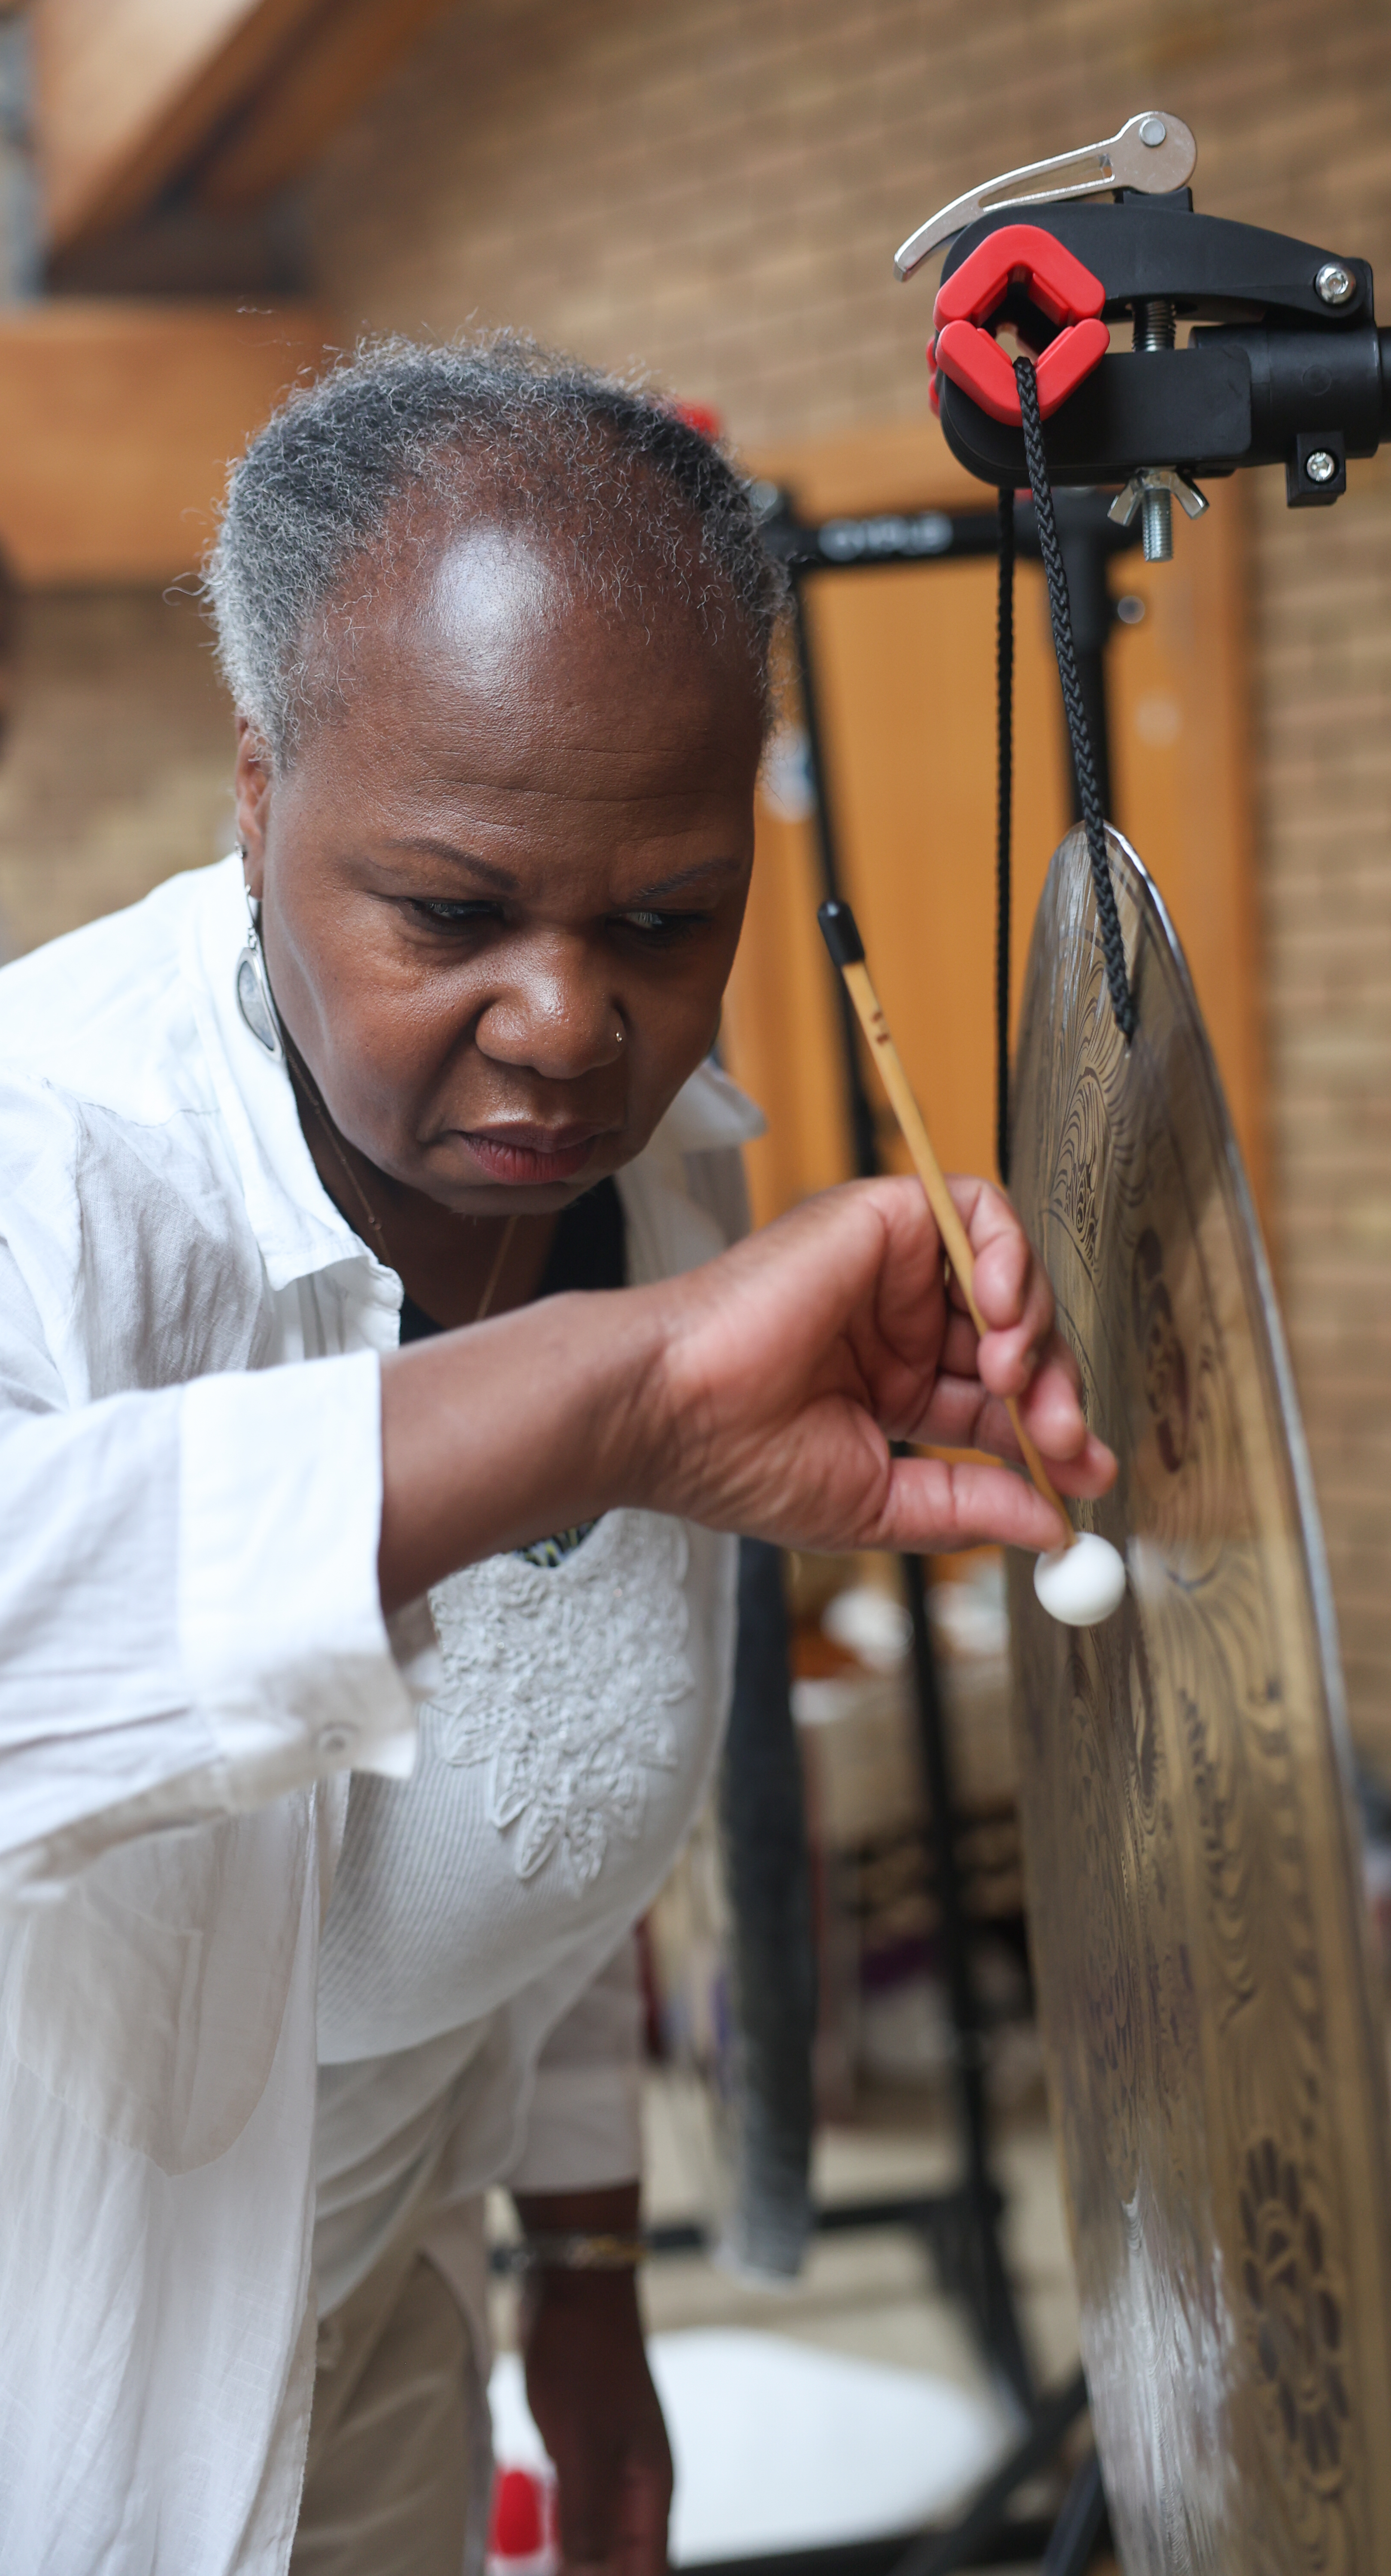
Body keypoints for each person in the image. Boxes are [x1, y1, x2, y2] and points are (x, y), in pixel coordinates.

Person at [0, 338, 1112, 2576]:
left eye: (663, 922)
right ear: (253, 792)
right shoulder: (61, 1171)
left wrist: (584, 2262)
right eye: (449, 911)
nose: (567, 1026)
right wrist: (613, 1396)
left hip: (395, 2284)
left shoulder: (667, 1168)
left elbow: (546, 1784)